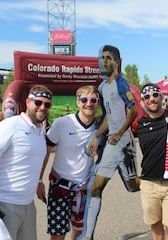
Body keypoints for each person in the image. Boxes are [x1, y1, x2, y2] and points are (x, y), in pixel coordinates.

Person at [0, 84, 53, 240]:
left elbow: (37, 158)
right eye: (37, 102)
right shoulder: (10, 125)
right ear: (27, 102)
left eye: (47, 104)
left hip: (27, 204)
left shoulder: (39, 129)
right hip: (3, 203)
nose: (42, 107)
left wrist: (39, 180)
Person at [84, 45, 139, 240]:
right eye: (101, 57)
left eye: (108, 58)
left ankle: (163, 183)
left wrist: (120, 132)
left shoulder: (122, 84)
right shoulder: (102, 87)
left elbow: (134, 111)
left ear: (116, 62)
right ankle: (88, 235)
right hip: (112, 144)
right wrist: (96, 135)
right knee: (95, 188)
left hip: (123, 142)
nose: (104, 61)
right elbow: (108, 116)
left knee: (133, 186)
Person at [37, 85, 101, 240]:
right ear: (77, 102)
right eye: (84, 99)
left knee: (80, 232)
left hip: (84, 188)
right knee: (58, 235)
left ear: (98, 103)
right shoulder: (62, 123)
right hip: (60, 187)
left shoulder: (100, 126)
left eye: (93, 100)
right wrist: (39, 179)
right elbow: (46, 151)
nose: (89, 103)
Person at [136, 84, 168, 240]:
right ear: (143, 101)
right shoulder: (140, 124)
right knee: (155, 226)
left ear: (161, 97)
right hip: (149, 184)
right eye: (147, 97)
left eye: (155, 95)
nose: (152, 99)